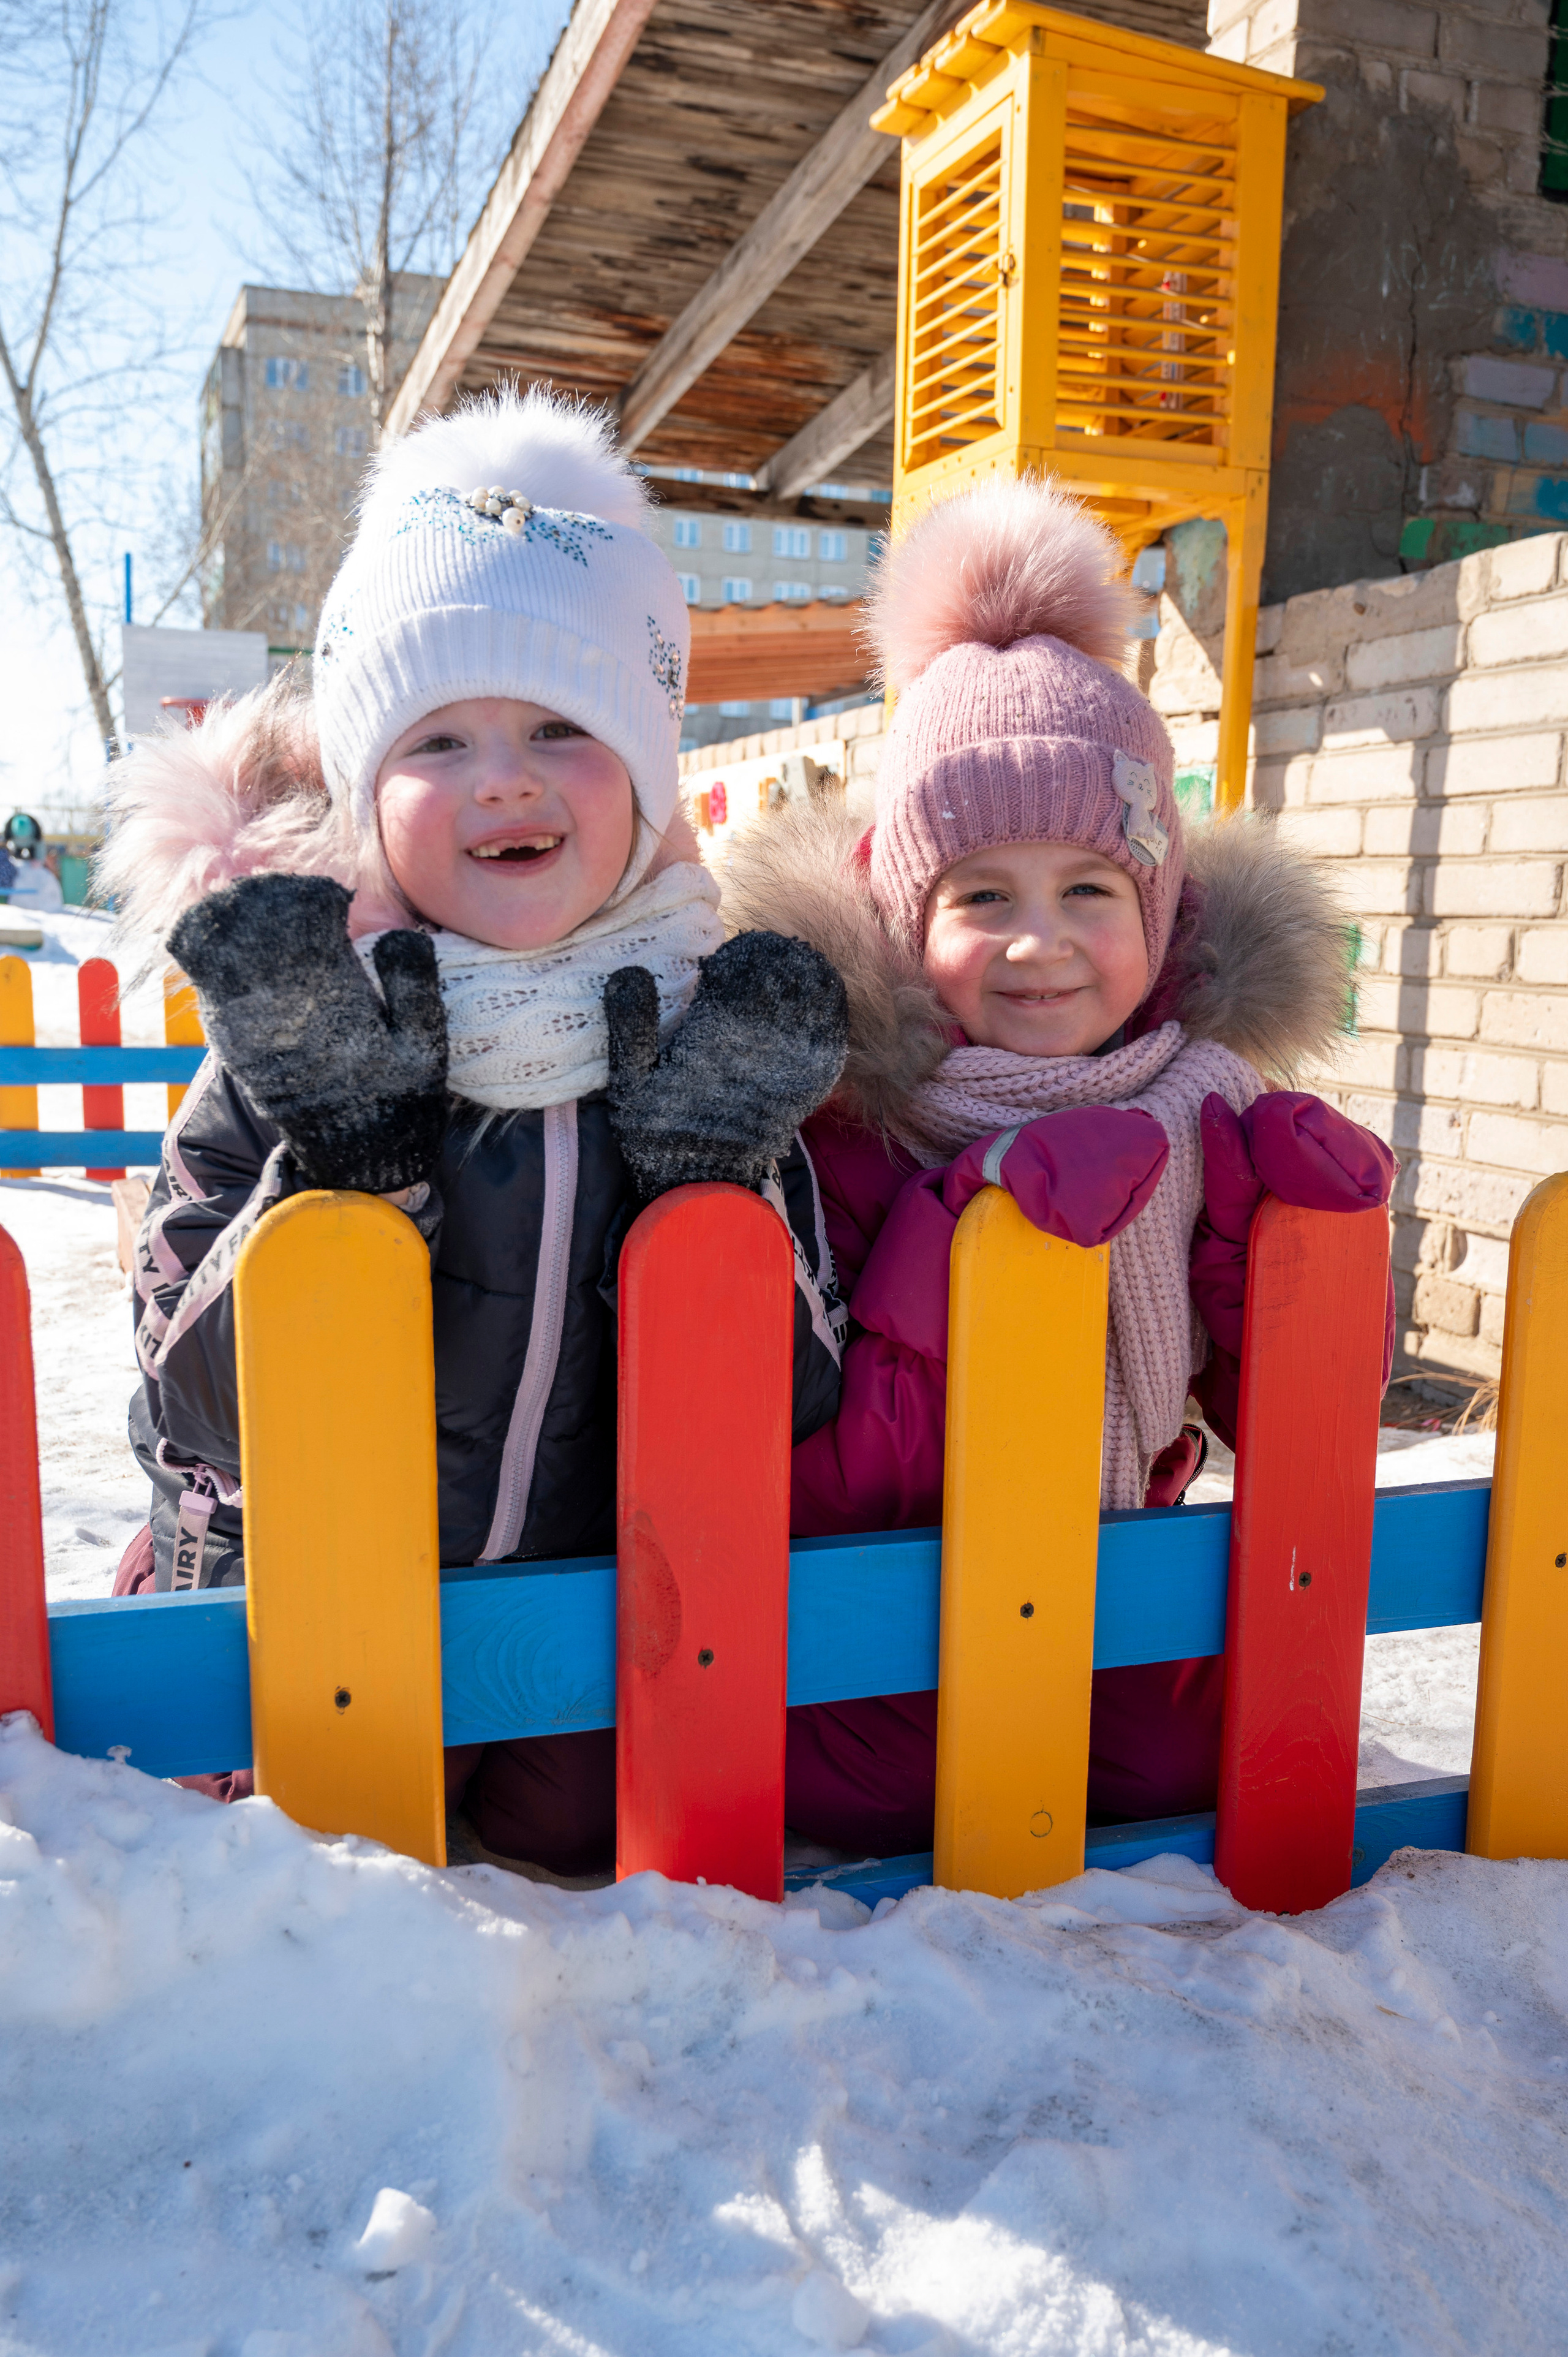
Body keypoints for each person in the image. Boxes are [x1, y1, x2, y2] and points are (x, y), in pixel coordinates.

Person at [96, 386, 850, 1876]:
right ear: (370, 797)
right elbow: (184, 1397)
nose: (502, 775)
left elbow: (797, 1398)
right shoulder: (306, 1021)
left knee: (566, 1878)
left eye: (561, 725)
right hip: (309, 1622)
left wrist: (716, 1191)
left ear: (645, 773)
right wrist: (338, 1173)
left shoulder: (703, 1033)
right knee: (324, 1882)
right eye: (437, 735)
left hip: (583, 1646)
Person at [722, 475, 1397, 1855]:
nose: (1039, 943)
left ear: (1160, 911)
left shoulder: (1199, 1101)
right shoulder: (842, 1126)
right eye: (980, 896)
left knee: (1170, 1772)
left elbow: (1284, 1430)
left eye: (1089, 890)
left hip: (1116, 1583)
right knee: (883, 1781)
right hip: (878, 1603)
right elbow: (818, 1479)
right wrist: (956, 1237)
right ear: (903, 914)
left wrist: (1303, 1264)